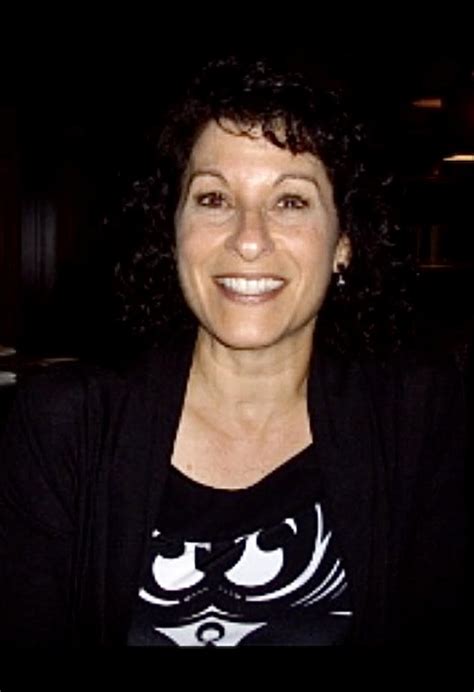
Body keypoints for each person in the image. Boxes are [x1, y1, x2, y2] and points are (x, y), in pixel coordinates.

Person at [0, 55, 467, 648]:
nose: (249, 240)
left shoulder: (420, 419)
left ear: (344, 241)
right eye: (214, 198)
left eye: (290, 202)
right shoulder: (63, 426)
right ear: (174, 230)